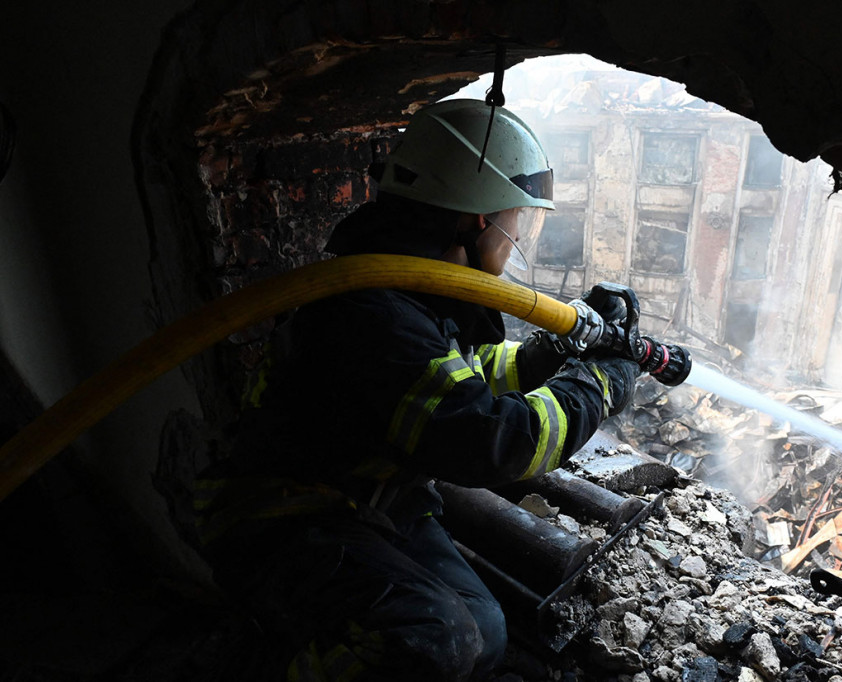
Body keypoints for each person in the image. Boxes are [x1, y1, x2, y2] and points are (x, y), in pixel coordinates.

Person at [192, 99, 641, 681]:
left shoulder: (411, 288)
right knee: (436, 640)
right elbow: (491, 442)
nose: (517, 235)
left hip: (363, 500)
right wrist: (603, 379)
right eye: (516, 218)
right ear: (475, 218)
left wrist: (557, 349)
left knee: (487, 631)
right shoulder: (374, 312)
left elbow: (465, 375)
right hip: (280, 513)